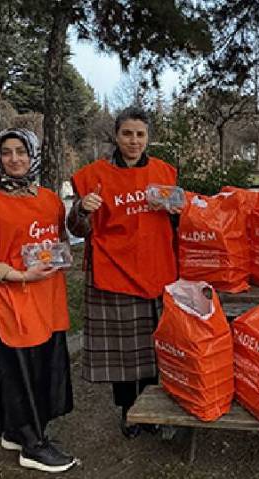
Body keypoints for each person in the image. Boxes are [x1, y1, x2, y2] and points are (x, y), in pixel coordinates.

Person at [0, 128, 76, 473]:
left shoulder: (50, 199)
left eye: (21, 151)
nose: (14, 159)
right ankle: (33, 443)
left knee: (41, 369)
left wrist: (57, 257)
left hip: (46, 299)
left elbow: (60, 243)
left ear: (33, 154)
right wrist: (18, 274)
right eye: (6, 152)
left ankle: (16, 431)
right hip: (9, 300)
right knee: (17, 373)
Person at [67, 107, 180, 438]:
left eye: (140, 134)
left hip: (156, 269)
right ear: (116, 136)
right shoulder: (93, 176)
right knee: (122, 352)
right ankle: (128, 411)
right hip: (113, 270)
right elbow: (75, 227)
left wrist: (178, 212)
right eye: (127, 133)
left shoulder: (164, 172)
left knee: (151, 349)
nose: (134, 141)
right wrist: (80, 210)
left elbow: (178, 222)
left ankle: (151, 410)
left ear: (148, 138)